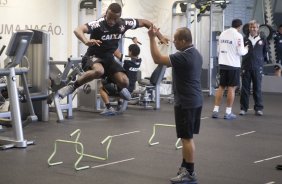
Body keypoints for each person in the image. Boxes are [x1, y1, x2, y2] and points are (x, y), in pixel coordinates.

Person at [56, 3, 168, 102]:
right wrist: (86, 41)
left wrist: (160, 36)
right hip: (93, 56)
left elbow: (145, 22)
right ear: (106, 13)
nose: (111, 21)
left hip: (108, 58)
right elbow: (78, 30)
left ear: (119, 17)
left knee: (125, 82)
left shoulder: (123, 23)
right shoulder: (98, 24)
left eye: (114, 19)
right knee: (99, 71)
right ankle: (72, 86)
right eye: (109, 17)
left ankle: (115, 88)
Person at [148, 26, 203, 184]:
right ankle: (185, 167)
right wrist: (159, 35)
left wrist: (152, 38)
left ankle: (190, 173)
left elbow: (158, 59)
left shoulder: (183, 56)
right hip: (192, 99)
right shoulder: (195, 53)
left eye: (176, 39)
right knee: (186, 137)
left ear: (184, 41)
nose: (174, 41)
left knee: (186, 138)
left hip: (187, 101)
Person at [211, 19, 248, 120]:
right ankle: (228, 112)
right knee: (231, 88)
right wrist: (247, 49)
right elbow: (241, 52)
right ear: (240, 26)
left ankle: (215, 110)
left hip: (222, 64)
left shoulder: (223, 33)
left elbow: (219, 49)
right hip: (233, 65)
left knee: (221, 87)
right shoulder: (238, 35)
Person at [99, 43, 142, 116]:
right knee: (118, 81)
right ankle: (119, 104)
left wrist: (109, 42)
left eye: (129, 51)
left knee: (101, 88)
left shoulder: (128, 59)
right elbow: (135, 53)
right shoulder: (139, 61)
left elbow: (116, 54)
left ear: (130, 52)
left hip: (123, 89)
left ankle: (109, 108)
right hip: (130, 89)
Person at [239, 20, 268, 116]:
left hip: (257, 67)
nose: (253, 29)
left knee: (257, 89)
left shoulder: (262, 39)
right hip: (246, 67)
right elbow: (241, 51)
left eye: (255, 27)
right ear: (249, 28)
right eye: (251, 27)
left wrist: (260, 62)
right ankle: (243, 108)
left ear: (258, 28)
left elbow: (265, 52)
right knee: (245, 89)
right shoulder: (244, 39)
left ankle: (258, 108)